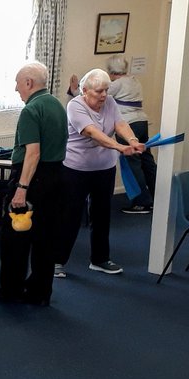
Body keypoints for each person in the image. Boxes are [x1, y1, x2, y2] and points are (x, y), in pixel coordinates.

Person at [0, 61, 68, 306]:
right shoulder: (56, 105)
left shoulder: (31, 110)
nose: (16, 89)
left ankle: (10, 290)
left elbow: (33, 153)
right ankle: (40, 292)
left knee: (15, 238)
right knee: (45, 238)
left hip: (32, 179)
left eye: (18, 84)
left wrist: (21, 190)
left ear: (29, 83)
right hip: (56, 177)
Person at [57, 68, 145, 277]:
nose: (104, 95)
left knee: (102, 215)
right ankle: (56, 261)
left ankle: (100, 259)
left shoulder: (110, 102)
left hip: (104, 169)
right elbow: (91, 132)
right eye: (98, 91)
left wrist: (132, 140)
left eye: (106, 90)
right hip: (76, 169)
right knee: (69, 216)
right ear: (84, 91)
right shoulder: (74, 106)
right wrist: (119, 147)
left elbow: (120, 123)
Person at [106, 55, 157, 214]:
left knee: (132, 164)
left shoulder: (116, 84)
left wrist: (75, 89)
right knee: (147, 161)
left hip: (128, 125)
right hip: (142, 122)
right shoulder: (135, 81)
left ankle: (142, 203)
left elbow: (97, 95)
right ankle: (159, 198)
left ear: (111, 71)